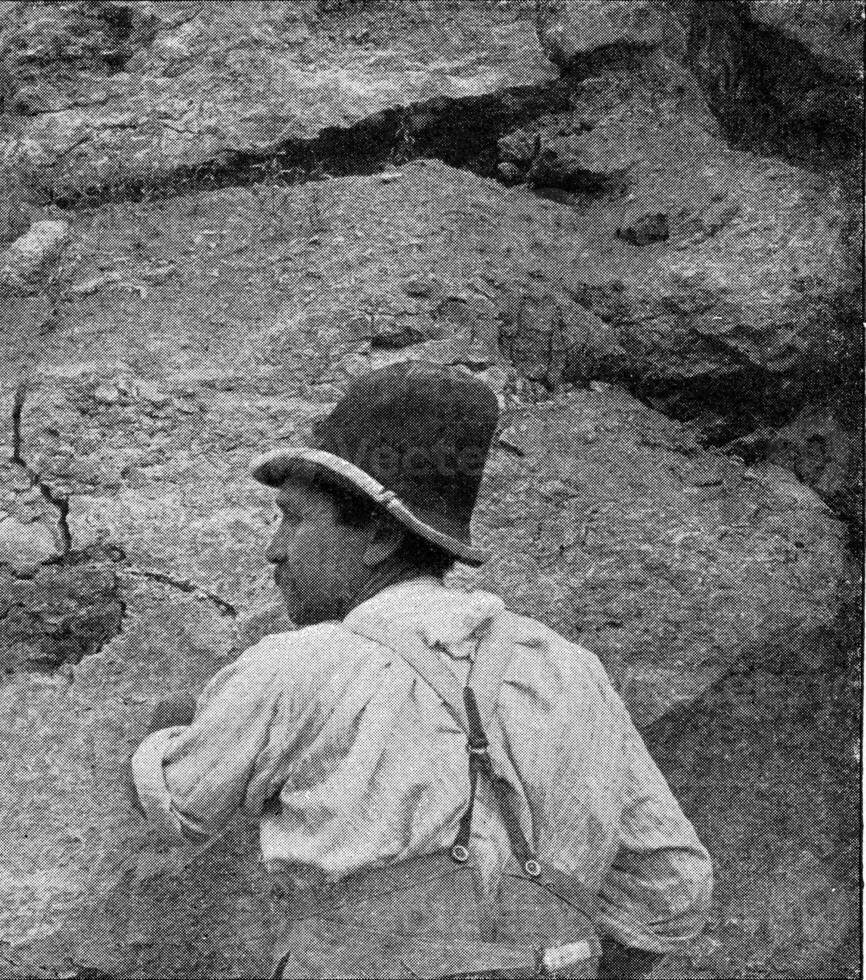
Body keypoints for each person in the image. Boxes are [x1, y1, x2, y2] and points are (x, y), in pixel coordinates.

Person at [129, 362, 712, 979]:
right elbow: (672, 892)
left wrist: (168, 730)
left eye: (294, 517)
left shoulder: (301, 666)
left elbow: (179, 802)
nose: (276, 548)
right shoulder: (571, 672)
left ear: (380, 535)